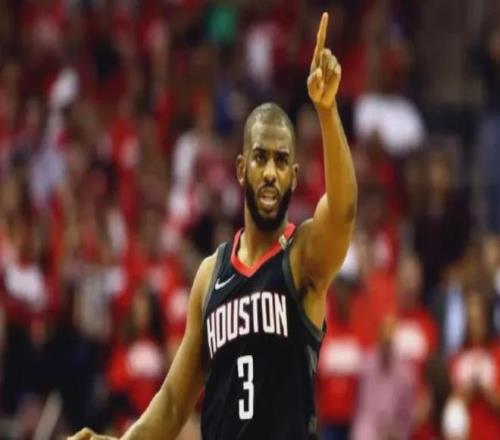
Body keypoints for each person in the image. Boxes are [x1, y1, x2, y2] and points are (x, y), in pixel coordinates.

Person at [70, 12, 357, 440]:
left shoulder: (302, 258)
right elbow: (173, 402)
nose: (271, 172)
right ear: (241, 169)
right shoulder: (210, 276)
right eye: (261, 158)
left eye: (282, 161)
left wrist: (327, 110)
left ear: (295, 177)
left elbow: (344, 211)